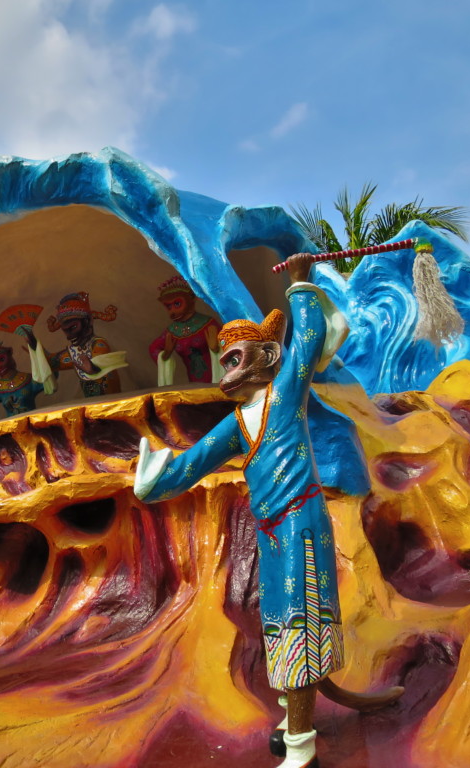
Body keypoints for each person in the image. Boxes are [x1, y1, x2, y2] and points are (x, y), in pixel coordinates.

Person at [134, 253, 348, 768]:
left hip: (300, 523)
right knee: (276, 617)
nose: (224, 368)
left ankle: (301, 746)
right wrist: (152, 480)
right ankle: (294, 717)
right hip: (272, 531)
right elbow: (194, 463)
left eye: (234, 359)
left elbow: (310, 341)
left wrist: (300, 283)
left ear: (267, 357)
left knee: (300, 617)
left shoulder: (285, 390)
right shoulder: (238, 421)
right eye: (223, 359)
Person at [23, 292, 127, 398]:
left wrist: (93, 369)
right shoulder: (73, 351)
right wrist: (35, 347)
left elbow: (103, 363)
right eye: (65, 330)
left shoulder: (98, 344)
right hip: (93, 405)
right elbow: (53, 363)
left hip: (111, 401)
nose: (69, 336)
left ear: (89, 321)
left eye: (73, 327)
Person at [148, 275, 221, 386]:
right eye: (168, 307)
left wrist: (217, 348)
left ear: (192, 299)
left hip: (217, 383)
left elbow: (231, 343)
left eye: (177, 304)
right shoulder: (172, 332)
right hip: (193, 384)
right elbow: (154, 348)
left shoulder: (208, 324)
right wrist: (165, 354)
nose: (172, 311)